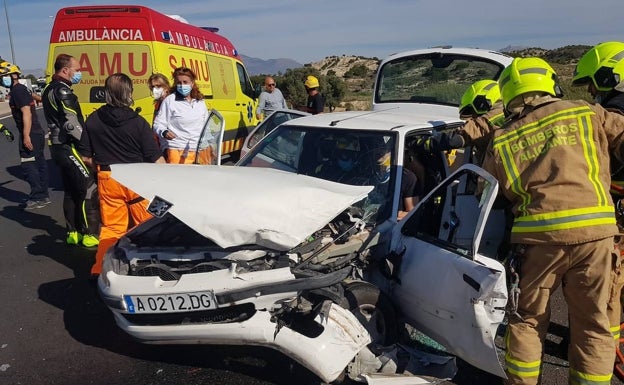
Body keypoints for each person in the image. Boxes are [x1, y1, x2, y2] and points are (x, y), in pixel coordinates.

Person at [481, 56, 624, 385]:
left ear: (511, 94)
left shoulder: (502, 138)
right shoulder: (585, 111)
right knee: (593, 324)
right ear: (549, 84)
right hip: (596, 236)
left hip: (537, 240)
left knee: (528, 321)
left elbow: (485, 192)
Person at [80, 73, 165, 277]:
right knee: (146, 226)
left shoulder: (93, 120)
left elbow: (85, 156)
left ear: (107, 93)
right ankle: (150, 268)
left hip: (108, 179)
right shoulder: (138, 122)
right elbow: (156, 159)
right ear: (129, 93)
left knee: (112, 228)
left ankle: (101, 268)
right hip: (137, 180)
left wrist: (101, 168)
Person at [572, 41, 624, 345]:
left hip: (617, 215)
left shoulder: (614, 113)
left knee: (609, 288)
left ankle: (602, 346)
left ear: (609, 77)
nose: (591, 92)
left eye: (592, 84)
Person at [42, 54, 100, 247]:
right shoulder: (63, 91)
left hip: (58, 148)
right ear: (65, 70)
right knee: (87, 188)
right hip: (68, 147)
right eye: (77, 69)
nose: (79, 72)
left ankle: (72, 232)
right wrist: (86, 147)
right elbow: (72, 125)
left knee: (70, 190)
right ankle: (90, 234)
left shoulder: (48, 89)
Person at [1, 60, 50, 209]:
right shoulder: (22, 89)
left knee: (29, 165)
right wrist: (42, 99)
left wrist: (26, 135)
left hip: (31, 133)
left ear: (13, 75)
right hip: (37, 132)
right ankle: (43, 194)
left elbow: (26, 113)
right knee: (39, 163)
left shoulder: (17, 91)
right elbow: (35, 97)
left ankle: (38, 196)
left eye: (3, 76)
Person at [152, 67, 210, 164]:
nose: (182, 85)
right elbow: (158, 124)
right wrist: (164, 132)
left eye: (185, 82)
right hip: (177, 149)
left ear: (192, 83)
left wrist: (210, 144)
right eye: (179, 82)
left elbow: (207, 126)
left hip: (199, 149)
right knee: (178, 178)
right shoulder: (170, 101)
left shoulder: (200, 102)